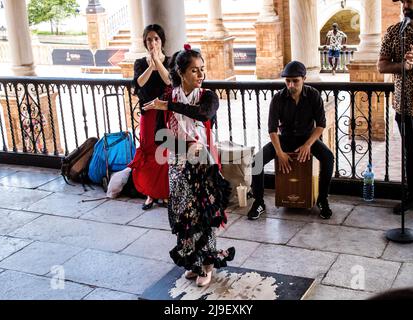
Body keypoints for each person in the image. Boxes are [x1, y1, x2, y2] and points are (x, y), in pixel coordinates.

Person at [144, 44, 235, 287]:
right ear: (181, 73)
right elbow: (159, 137)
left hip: (203, 162)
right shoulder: (168, 96)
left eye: (202, 69)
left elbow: (203, 115)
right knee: (184, 214)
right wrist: (184, 147)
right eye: (194, 70)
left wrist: (169, 106)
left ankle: (207, 264)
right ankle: (193, 262)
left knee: (204, 213)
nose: (200, 74)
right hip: (177, 160)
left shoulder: (207, 96)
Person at [248, 61, 335, 220]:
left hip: (307, 138)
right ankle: (259, 201)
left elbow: (321, 124)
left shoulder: (314, 95)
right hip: (285, 139)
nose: (291, 84)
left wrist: (308, 144)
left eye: (295, 81)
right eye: (288, 81)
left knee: (328, 157)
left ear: (304, 79)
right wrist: (279, 153)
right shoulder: (278, 98)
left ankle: (322, 199)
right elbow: (272, 129)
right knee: (256, 161)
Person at [378, 0, 413, 214]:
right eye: (402, 1)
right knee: (411, 153)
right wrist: (403, 65)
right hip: (406, 107)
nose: (405, 5)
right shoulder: (394, 31)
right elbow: (381, 65)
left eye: (409, 0)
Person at [129, 24, 170, 210]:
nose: (153, 42)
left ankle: (165, 193)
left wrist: (158, 63)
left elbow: (170, 81)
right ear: (145, 42)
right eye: (149, 39)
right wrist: (150, 65)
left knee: (164, 153)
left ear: (161, 41)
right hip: (148, 114)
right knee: (148, 152)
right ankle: (150, 194)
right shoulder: (140, 63)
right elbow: (138, 85)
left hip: (165, 114)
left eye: (156, 39)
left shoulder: (170, 61)